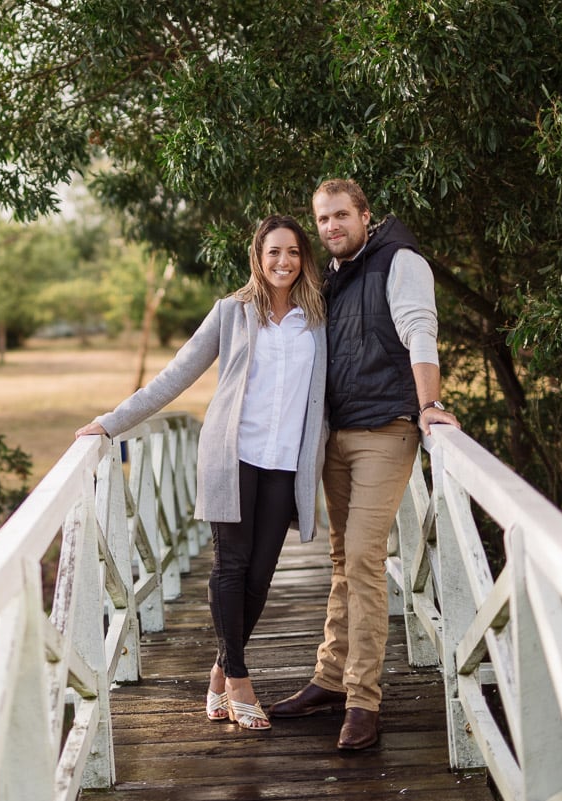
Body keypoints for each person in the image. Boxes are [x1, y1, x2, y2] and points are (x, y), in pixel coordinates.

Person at [75, 215, 328, 731]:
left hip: (285, 461)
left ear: (305, 259)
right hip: (232, 456)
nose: (284, 261)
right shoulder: (231, 314)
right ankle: (238, 679)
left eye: (294, 252)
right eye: (274, 252)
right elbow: (175, 376)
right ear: (257, 257)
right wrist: (110, 423)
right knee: (231, 567)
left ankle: (218, 671)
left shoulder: (318, 319)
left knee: (260, 577)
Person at [267, 179, 460, 750]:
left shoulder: (398, 261)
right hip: (338, 436)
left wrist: (430, 405)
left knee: (363, 557)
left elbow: (420, 331)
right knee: (340, 560)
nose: (330, 227)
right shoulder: (332, 275)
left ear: (365, 216)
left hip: (386, 431)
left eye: (341, 216)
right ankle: (330, 677)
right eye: (322, 219)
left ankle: (363, 699)